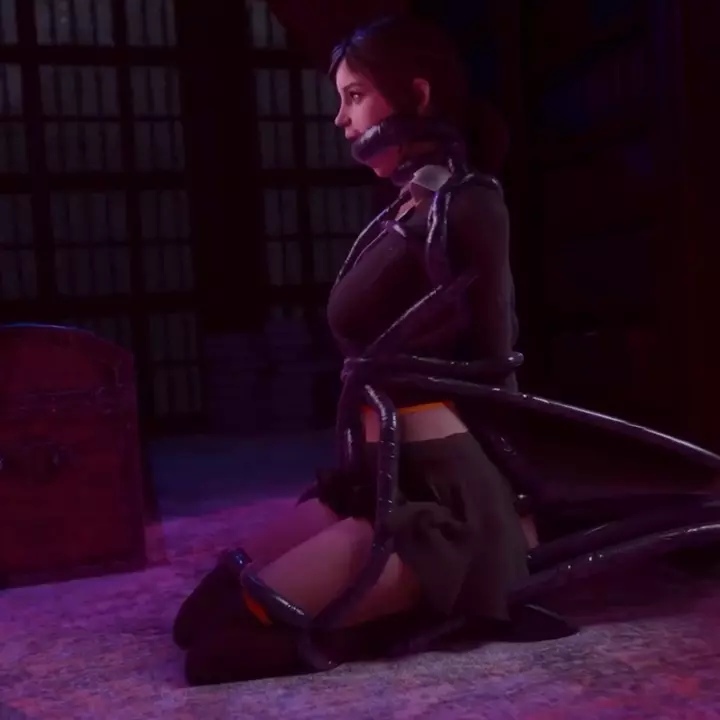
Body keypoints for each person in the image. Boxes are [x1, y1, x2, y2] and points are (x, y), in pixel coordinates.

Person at [174, 15, 534, 686]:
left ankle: (417, 602)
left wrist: (520, 502)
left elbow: (497, 354)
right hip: (374, 472)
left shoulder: (469, 203)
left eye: (356, 95)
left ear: (417, 95)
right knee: (198, 617)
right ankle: (383, 605)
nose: (341, 118)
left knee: (220, 651)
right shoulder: (404, 209)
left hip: (439, 491)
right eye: (340, 99)